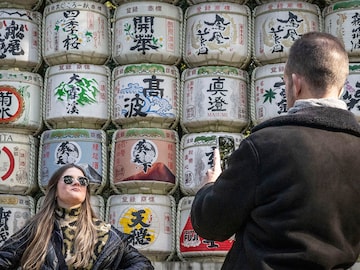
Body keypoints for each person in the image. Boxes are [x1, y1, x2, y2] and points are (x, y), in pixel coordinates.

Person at [190, 31, 360, 270]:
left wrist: (210, 186)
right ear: (342, 87)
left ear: (295, 83)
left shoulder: (264, 145)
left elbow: (212, 224)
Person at [0, 163, 154, 270]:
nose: (76, 183)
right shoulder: (37, 229)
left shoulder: (105, 234)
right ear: (55, 190)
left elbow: (143, 264)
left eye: (82, 180)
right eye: (68, 179)